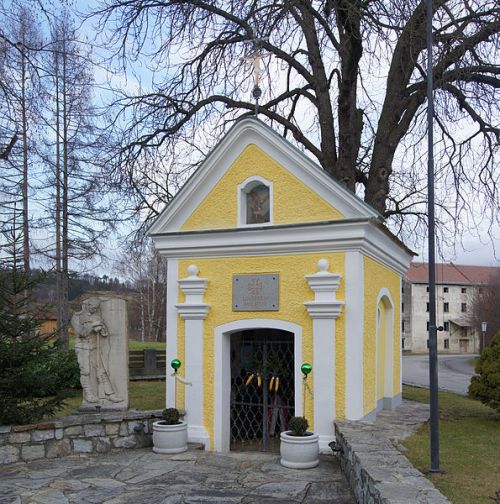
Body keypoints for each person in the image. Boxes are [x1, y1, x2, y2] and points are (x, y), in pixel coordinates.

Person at [71, 297, 123, 404]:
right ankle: (89, 395)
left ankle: (110, 394)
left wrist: (101, 329)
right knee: (86, 372)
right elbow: (81, 333)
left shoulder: (97, 317)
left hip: (94, 347)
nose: (94, 310)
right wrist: (92, 326)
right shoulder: (76, 317)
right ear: (88, 305)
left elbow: (104, 334)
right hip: (82, 347)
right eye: (93, 308)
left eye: (96, 308)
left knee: (101, 370)